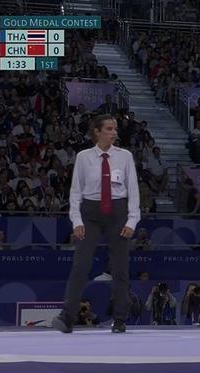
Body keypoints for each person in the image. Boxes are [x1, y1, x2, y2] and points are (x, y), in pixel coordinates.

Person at [52, 114, 140, 334]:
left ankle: (120, 318)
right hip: (90, 213)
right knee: (81, 264)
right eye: (109, 129)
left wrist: (132, 220)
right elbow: (75, 190)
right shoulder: (83, 157)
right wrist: (76, 220)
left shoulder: (125, 156)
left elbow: (133, 189)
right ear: (97, 132)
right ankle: (67, 317)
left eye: (115, 129)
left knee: (120, 268)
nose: (114, 132)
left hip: (118, 212)